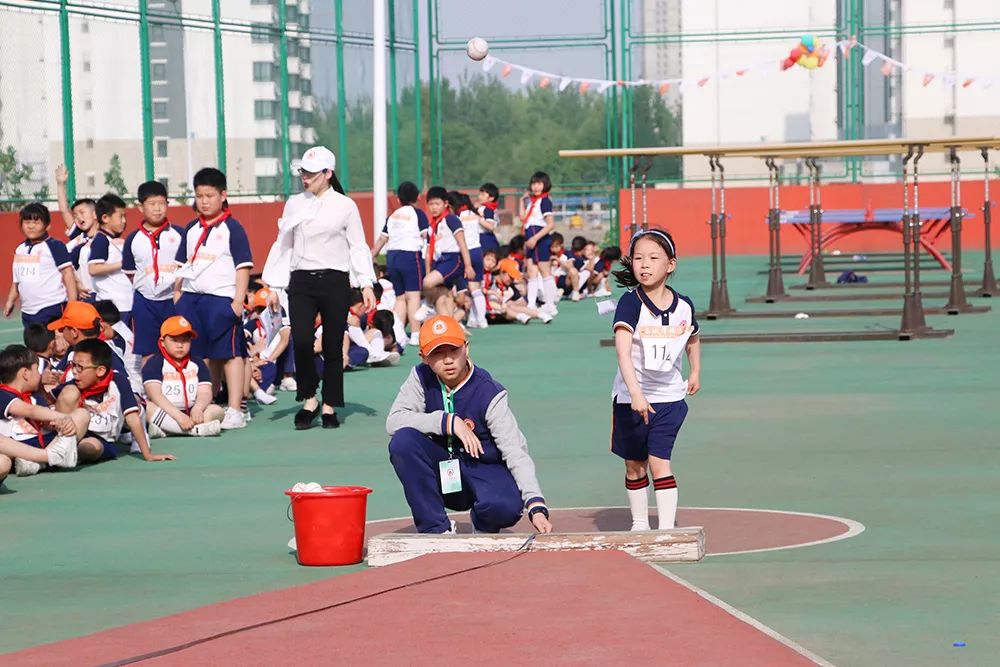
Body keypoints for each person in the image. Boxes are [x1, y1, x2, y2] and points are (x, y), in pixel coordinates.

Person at [386, 315, 553, 535]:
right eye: (437, 353)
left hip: (482, 471)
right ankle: (436, 529)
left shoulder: (489, 392)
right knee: (403, 442)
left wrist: (535, 504)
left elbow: (515, 451)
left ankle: (483, 522)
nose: (447, 360)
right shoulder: (420, 377)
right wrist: (447, 421)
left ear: (466, 348)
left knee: (506, 508)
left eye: (454, 350)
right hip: (444, 469)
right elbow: (394, 421)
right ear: (424, 357)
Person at [267, 146, 376, 430]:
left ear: (328, 174)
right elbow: (283, 245)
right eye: (303, 172)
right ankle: (309, 398)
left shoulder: (345, 206)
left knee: (331, 343)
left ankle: (328, 405)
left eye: (312, 174)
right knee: (301, 339)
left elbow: (357, 245)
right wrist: (274, 286)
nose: (305, 178)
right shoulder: (293, 203)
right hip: (300, 281)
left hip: (335, 281)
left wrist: (365, 283)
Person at [610, 229, 701, 531]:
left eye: (653, 258)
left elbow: (693, 338)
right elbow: (622, 354)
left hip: (669, 398)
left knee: (660, 462)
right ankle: (639, 524)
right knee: (635, 466)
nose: (644, 265)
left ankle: (665, 530)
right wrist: (635, 394)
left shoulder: (684, 305)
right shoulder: (629, 303)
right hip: (630, 399)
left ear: (670, 265)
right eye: (638, 258)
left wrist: (695, 371)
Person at [173, 167, 253, 430]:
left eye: (210, 195)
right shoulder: (191, 229)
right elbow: (181, 264)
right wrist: (177, 295)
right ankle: (208, 402)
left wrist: (238, 300)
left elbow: (243, 265)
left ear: (223, 195)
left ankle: (235, 408)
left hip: (222, 298)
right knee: (202, 353)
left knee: (229, 353)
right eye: (199, 196)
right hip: (192, 298)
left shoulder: (233, 228)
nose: (204, 201)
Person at [54, 338, 174, 463]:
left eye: (80, 367)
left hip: (101, 439)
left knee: (89, 448)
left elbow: (132, 418)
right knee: (69, 392)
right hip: (74, 433)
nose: (74, 371)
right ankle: (58, 447)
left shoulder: (118, 382)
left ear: (100, 370)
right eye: (73, 365)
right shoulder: (74, 384)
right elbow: (49, 399)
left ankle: (62, 454)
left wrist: (148, 454)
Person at [0, 344, 85, 476]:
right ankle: (49, 459)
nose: (40, 375)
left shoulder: (35, 395)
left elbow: (43, 420)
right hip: (18, 449)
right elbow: (29, 410)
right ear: (25, 374)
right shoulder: (3, 394)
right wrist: (60, 417)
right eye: (37, 370)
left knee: (82, 415)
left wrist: (60, 424)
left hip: (46, 443)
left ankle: (39, 463)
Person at [122, 180, 183, 358]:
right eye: (152, 204)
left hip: (173, 299)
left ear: (168, 204)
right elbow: (130, 273)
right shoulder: (133, 239)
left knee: (177, 347)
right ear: (140, 207)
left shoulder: (179, 234)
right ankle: (150, 384)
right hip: (145, 302)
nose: (157, 209)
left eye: (162, 203)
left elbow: (186, 266)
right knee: (149, 352)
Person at [142, 316, 224, 437]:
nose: (180, 345)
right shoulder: (154, 363)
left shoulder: (197, 362)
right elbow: (155, 395)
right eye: (174, 340)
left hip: (192, 411)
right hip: (166, 411)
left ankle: (167, 430)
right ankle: (194, 431)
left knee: (217, 410)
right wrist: (178, 416)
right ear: (163, 342)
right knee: (146, 408)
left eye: (185, 340)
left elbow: (205, 392)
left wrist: (198, 408)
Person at [370, 181, 429, 347]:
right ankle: (416, 333)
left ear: (398, 198)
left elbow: (382, 239)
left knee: (400, 298)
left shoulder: (392, 216)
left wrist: (370, 257)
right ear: (418, 197)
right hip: (410, 256)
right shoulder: (418, 214)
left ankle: (398, 333)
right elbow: (427, 237)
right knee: (414, 296)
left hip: (392, 257)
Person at [4, 203, 77, 326]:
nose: (31, 226)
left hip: (51, 307)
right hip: (27, 311)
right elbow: (17, 279)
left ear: (47, 226)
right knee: (34, 345)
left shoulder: (55, 246)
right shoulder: (20, 249)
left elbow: (68, 273)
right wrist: (10, 300)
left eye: (36, 223)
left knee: (56, 344)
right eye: (27, 223)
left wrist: (72, 303)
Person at [422, 187, 475, 311]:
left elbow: (462, 243)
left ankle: (428, 305)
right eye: (431, 204)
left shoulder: (451, 220)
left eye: (437, 204)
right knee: (443, 299)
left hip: (452, 260)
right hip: (439, 261)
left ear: (445, 204)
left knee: (427, 283)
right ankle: (451, 326)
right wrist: (429, 270)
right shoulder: (432, 225)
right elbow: (428, 252)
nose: (434, 207)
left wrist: (468, 265)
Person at [87, 194, 134, 327]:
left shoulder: (112, 240)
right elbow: (93, 268)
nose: (124, 221)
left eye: (125, 216)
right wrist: (123, 263)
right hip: (114, 307)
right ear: (105, 218)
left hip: (124, 303)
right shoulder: (101, 240)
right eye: (120, 216)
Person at [55, 165, 98, 300]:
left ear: (95, 214)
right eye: (75, 215)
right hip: (81, 295)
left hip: (101, 296)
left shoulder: (106, 238)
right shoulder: (79, 236)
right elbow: (63, 210)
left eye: (82, 213)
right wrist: (61, 184)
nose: (78, 217)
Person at [518, 171, 557, 313]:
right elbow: (523, 217)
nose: (536, 187)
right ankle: (532, 304)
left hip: (539, 237)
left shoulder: (545, 201)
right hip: (530, 236)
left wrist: (535, 238)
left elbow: (551, 224)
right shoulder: (532, 202)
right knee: (531, 270)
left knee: (544, 270)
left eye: (539, 183)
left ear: (545, 185)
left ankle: (550, 304)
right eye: (534, 183)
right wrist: (522, 201)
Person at [454, 191, 488, 329]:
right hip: (477, 251)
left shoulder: (456, 217)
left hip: (464, 253)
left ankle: (466, 318)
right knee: (476, 288)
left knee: (463, 288)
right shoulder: (475, 215)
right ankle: (480, 319)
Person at [476, 182, 501, 253]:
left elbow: (491, 226)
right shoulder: (489, 208)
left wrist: (479, 218)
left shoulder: (488, 209)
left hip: (485, 239)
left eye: (483, 195)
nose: (479, 197)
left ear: (491, 198)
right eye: (479, 194)